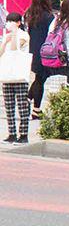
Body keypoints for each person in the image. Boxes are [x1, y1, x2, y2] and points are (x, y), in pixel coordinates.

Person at [0, 13, 32, 142]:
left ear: (19, 22)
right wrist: (5, 41)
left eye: (12, 21)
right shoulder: (6, 36)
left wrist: (13, 34)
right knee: (9, 105)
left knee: (22, 105)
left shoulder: (24, 35)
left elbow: (15, 49)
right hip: (8, 74)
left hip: (20, 75)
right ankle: (11, 133)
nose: (9, 24)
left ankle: (23, 134)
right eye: (8, 21)